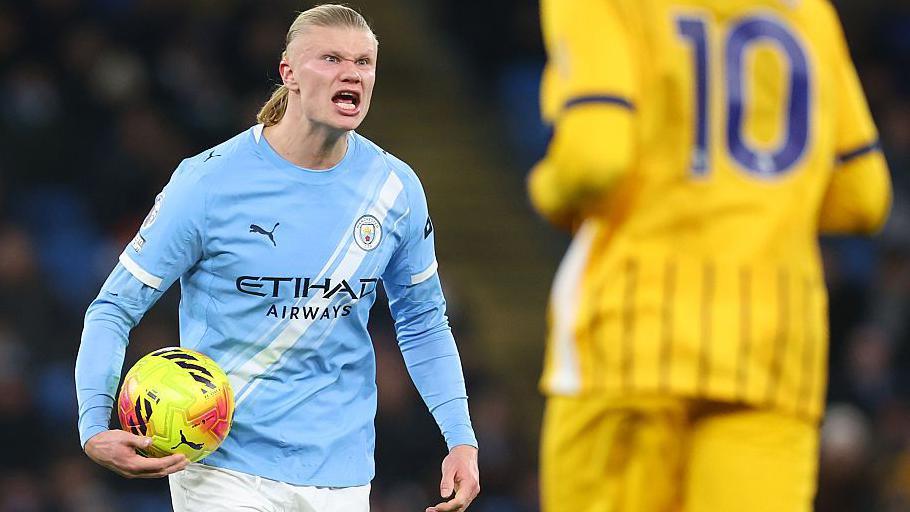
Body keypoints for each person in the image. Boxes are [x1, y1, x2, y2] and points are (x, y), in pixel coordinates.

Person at [75, 5, 480, 511]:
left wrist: (460, 436)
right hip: (223, 468)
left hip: (342, 470)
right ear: (288, 72)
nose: (351, 73)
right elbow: (114, 306)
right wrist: (93, 424)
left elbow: (422, 320)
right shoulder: (209, 183)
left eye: (363, 62)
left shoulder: (394, 190)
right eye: (331, 58)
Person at [528, 0, 892, 511]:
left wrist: (548, 190)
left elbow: (593, 162)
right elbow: (863, 194)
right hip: (772, 351)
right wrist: (763, 203)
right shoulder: (810, 13)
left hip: (633, 337)